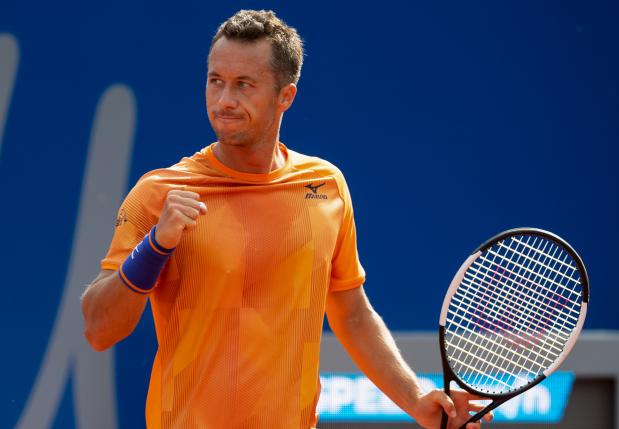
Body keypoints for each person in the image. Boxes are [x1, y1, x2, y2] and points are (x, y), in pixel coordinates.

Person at [81, 9, 492, 429]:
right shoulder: (158, 194)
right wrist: (155, 246)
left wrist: (416, 398)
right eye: (215, 80)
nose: (224, 100)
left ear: (285, 96)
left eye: (244, 85)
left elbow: (351, 313)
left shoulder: (325, 186)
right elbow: (98, 328)